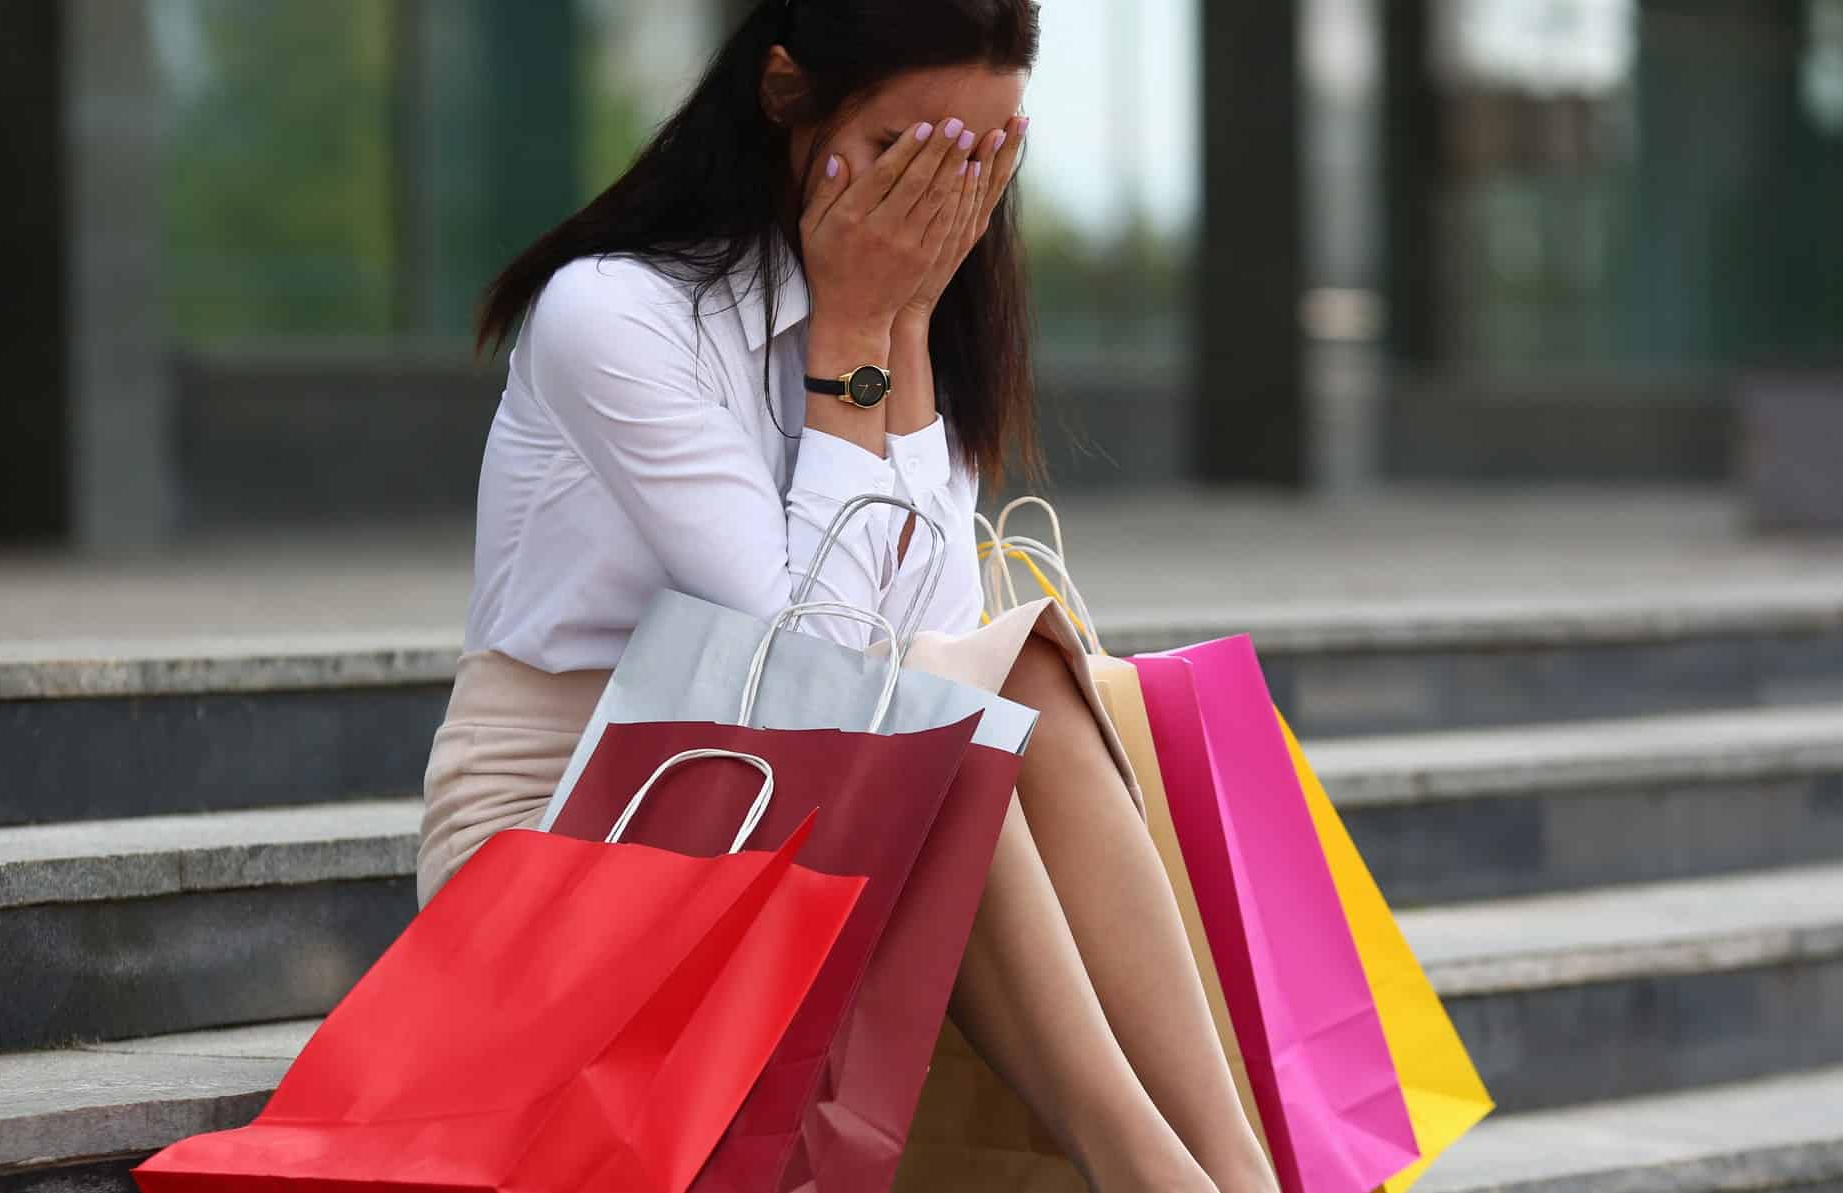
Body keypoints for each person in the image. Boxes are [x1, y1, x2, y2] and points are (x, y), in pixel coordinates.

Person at [415, 2, 1276, 1190]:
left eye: (976, 166)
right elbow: (822, 678)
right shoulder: (615, 314)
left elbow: (923, 637)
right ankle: (1152, 1173)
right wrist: (858, 335)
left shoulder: (917, 320)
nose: (934, 207)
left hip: (812, 804)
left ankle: (1234, 1171)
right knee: (924, 715)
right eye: (897, 156)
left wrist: (905, 330)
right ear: (785, 99)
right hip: (578, 828)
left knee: (1006, 671)